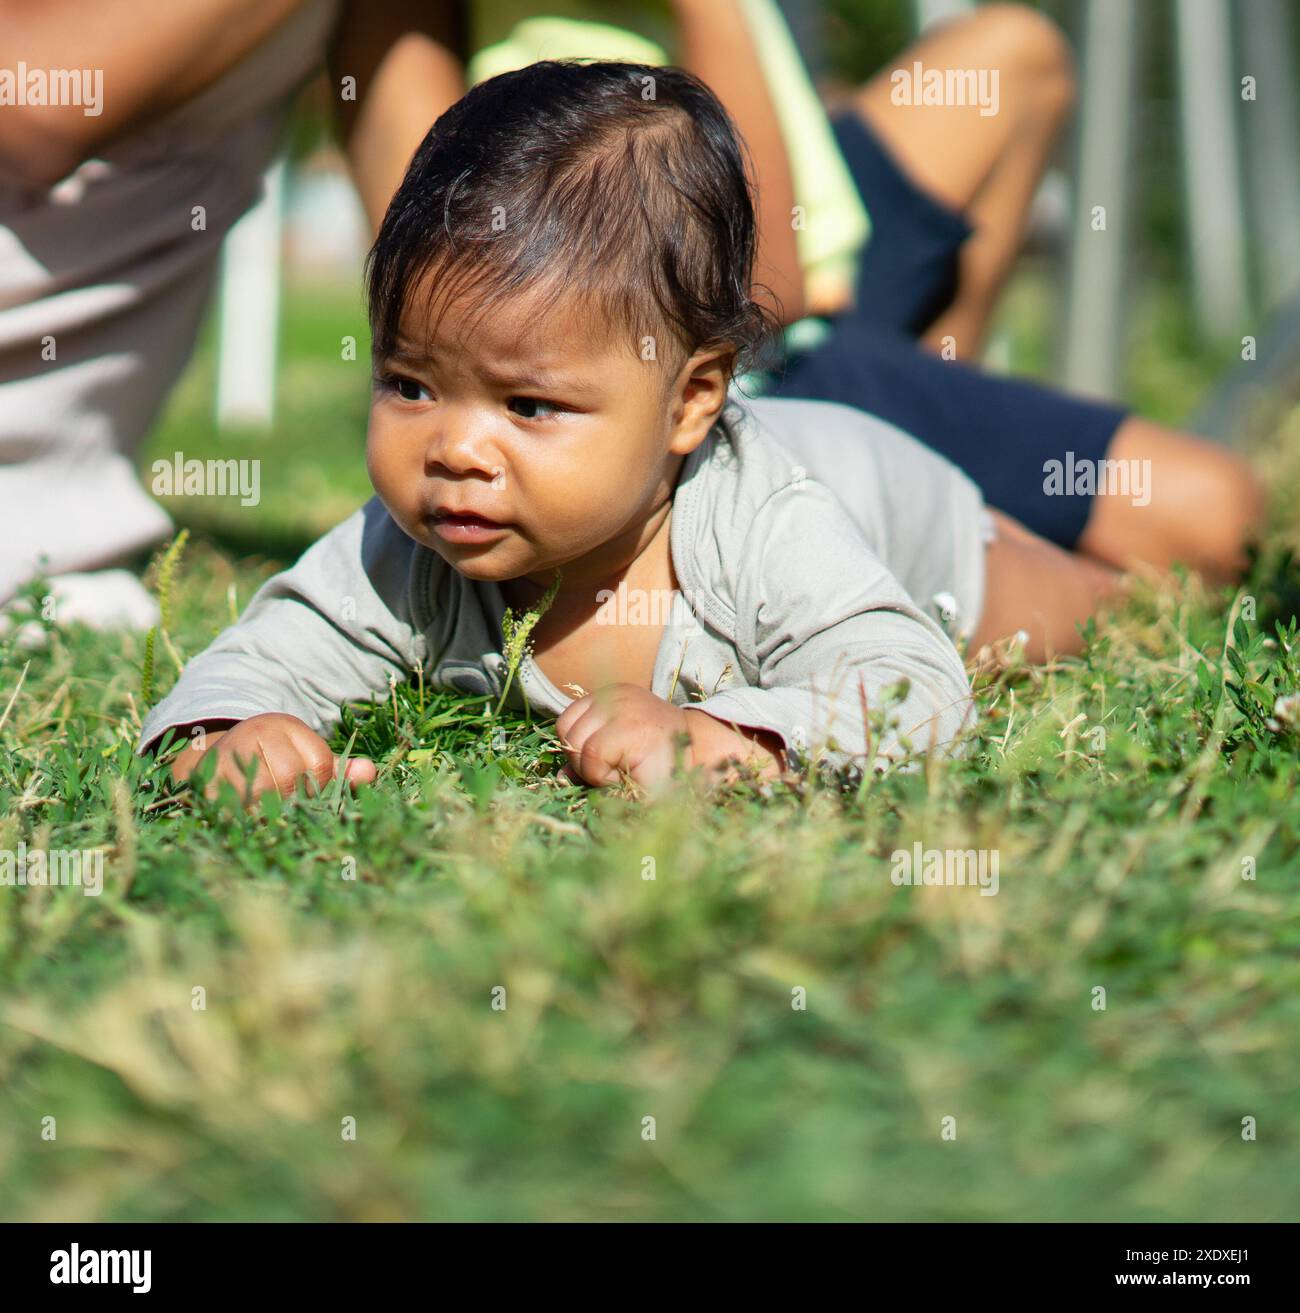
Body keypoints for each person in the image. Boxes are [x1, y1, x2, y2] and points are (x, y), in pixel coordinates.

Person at [144, 62, 1115, 802]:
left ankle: (1094, 560)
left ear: (690, 402)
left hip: (889, 493)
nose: (454, 448)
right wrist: (229, 725)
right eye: (410, 383)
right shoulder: (412, 538)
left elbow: (912, 689)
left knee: (1068, 612)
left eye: (527, 406)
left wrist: (737, 735)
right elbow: (274, 645)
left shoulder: (763, 528)